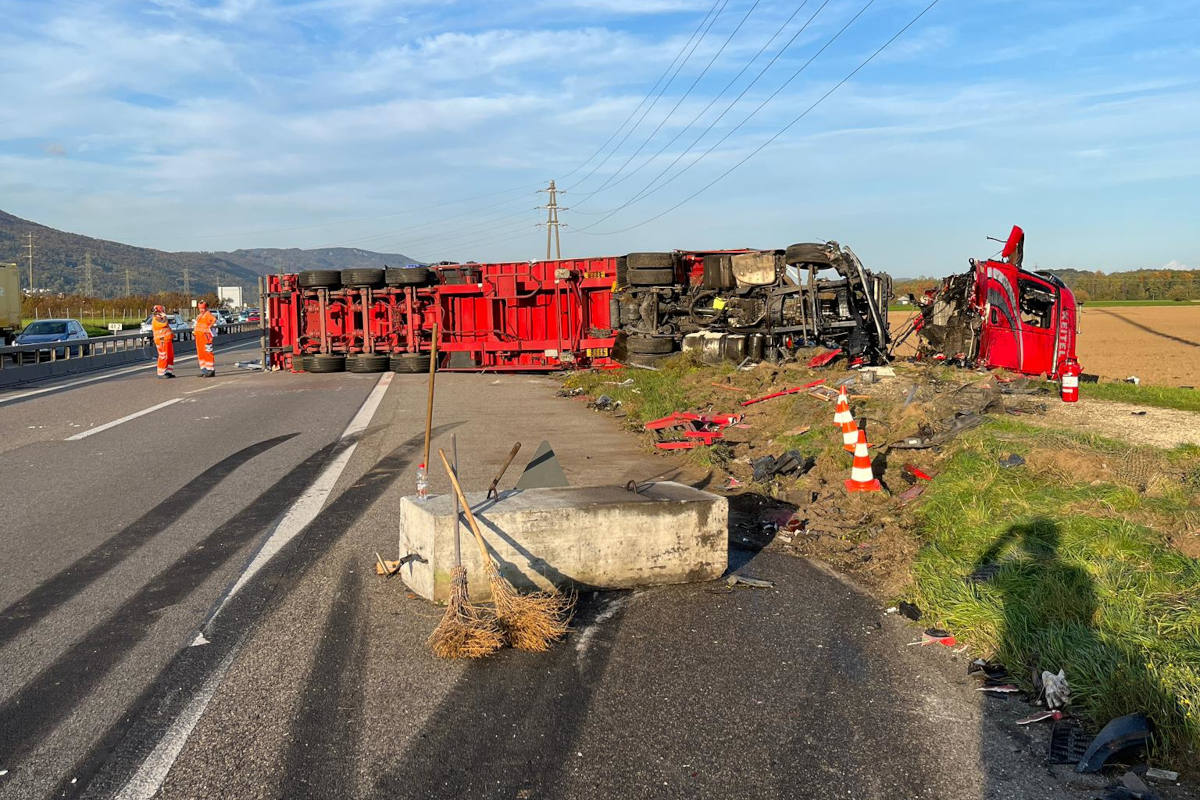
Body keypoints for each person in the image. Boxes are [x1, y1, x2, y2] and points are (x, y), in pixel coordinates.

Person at [193, 301, 217, 377]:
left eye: (203, 308)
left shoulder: (208, 314)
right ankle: (204, 370)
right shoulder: (199, 316)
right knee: (201, 353)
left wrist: (210, 326)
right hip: (199, 337)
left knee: (207, 353)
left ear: (206, 308)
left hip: (206, 337)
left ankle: (210, 370)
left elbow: (214, 320)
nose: (201, 310)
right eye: (200, 308)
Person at [151, 305, 175, 378]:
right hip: (161, 340)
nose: (164, 311)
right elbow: (164, 323)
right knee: (163, 356)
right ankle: (161, 373)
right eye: (163, 310)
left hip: (166, 340)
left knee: (170, 356)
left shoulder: (160, 318)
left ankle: (168, 371)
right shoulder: (156, 318)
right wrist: (164, 316)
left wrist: (171, 334)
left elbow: (167, 327)